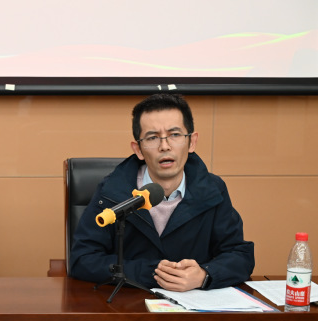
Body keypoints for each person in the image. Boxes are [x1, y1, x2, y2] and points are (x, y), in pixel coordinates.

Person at [70, 94, 254, 292]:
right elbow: (82, 259)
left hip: (193, 304)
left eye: (175, 135)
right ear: (138, 149)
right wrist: (151, 273)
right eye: (152, 137)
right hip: (129, 301)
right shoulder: (113, 191)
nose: (164, 146)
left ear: (192, 142)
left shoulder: (212, 189)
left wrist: (204, 275)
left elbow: (239, 256)